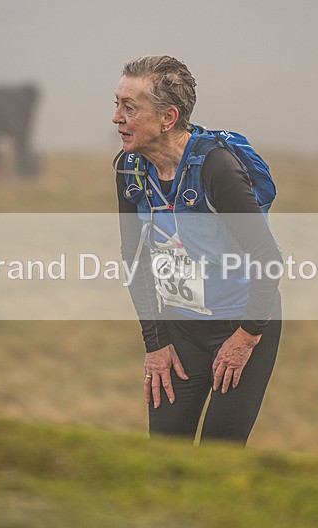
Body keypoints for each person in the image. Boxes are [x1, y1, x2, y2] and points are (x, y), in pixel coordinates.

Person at [113, 56, 282, 445]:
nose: (117, 118)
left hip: (244, 326)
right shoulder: (129, 168)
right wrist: (155, 344)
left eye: (130, 107)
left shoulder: (216, 167)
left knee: (217, 458)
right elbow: (133, 257)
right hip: (180, 329)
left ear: (168, 118)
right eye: (117, 104)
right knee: (166, 455)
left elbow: (268, 260)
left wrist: (245, 338)